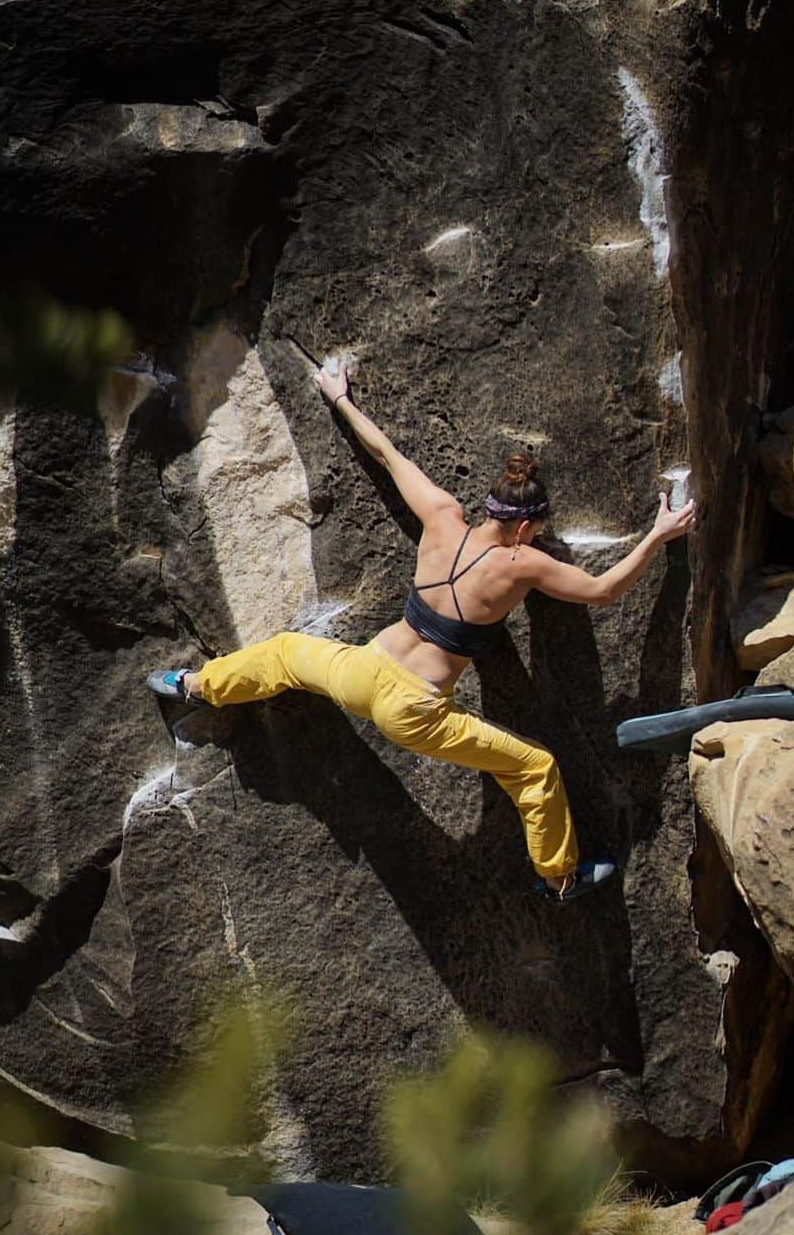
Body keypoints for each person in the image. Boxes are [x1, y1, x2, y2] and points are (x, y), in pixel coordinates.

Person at [148, 361, 695, 901]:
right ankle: (560, 876)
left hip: (364, 670)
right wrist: (656, 536)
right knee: (536, 767)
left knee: (287, 653)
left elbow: (386, 455)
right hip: (416, 712)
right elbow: (602, 591)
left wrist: (338, 397)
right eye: (537, 531)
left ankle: (195, 685)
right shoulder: (518, 564)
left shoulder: (441, 516)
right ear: (524, 528)